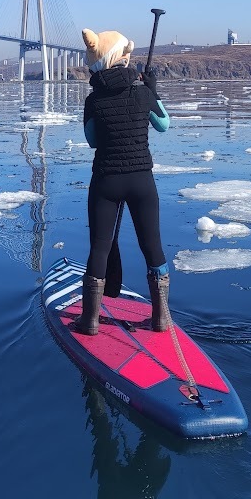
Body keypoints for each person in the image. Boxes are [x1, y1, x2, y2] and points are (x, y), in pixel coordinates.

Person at [75, 28, 171, 336]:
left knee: (99, 248)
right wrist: (152, 92)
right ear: (122, 57)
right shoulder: (142, 92)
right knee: (152, 246)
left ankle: (89, 322)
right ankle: (160, 320)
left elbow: (91, 141)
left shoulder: (93, 100)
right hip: (141, 181)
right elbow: (163, 125)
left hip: (106, 181)